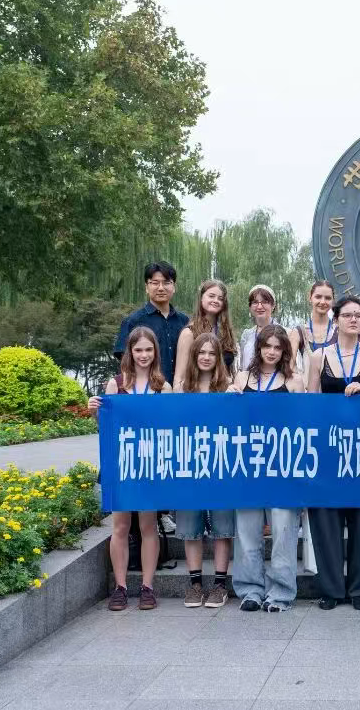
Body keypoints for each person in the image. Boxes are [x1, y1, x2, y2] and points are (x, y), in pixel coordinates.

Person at [306, 295, 360, 610]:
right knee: (326, 518)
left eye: (358, 315)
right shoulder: (319, 357)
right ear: (336, 319)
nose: (354, 320)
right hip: (328, 448)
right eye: (347, 315)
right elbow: (311, 402)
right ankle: (330, 588)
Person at [88, 326, 171, 611]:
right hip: (121, 462)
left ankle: (148, 587)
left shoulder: (163, 386)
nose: (143, 355)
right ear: (129, 352)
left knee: (148, 525)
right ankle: (121, 587)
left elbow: (169, 427)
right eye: (138, 350)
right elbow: (106, 427)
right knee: (120, 526)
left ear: (155, 352)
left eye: (148, 350)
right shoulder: (116, 384)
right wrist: (95, 411)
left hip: (149, 462)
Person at [228, 325, 306, 612]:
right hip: (248, 465)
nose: (272, 352)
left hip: (283, 466)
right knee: (247, 532)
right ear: (258, 348)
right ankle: (250, 590)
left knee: (284, 532)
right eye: (267, 346)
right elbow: (230, 419)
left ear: (284, 350)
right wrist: (228, 396)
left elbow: (304, 424)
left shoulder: (294, 381)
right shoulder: (242, 378)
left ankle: (281, 594)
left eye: (277, 347)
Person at [174, 333, 235, 609]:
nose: (206, 357)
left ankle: (220, 585)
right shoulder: (181, 390)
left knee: (223, 526)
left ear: (218, 357)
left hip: (221, 464)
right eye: (201, 352)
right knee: (190, 527)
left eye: (212, 353)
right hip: (190, 464)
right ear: (194, 356)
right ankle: (195, 584)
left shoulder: (229, 388)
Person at [114, 261, 189, 386]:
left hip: (181, 391)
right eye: (155, 283)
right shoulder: (133, 321)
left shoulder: (185, 321)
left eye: (166, 282)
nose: (161, 288)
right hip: (148, 391)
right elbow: (124, 361)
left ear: (174, 287)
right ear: (146, 287)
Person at [173, 279, 237, 387]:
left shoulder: (226, 333)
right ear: (201, 298)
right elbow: (179, 377)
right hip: (197, 393)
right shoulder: (189, 333)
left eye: (220, 298)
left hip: (222, 392)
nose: (216, 300)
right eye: (211, 296)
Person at [290, 280, 337, 385]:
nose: (323, 302)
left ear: (333, 301)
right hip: (308, 390)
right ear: (310, 297)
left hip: (334, 391)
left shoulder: (339, 331)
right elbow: (290, 365)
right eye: (318, 297)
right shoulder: (299, 331)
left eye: (328, 298)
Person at [238, 284, 281, 371]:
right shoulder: (246, 335)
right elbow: (242, 366)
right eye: (255, 302)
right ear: (250, 307)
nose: (259, 306)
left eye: (265, 302)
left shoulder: (284, 333)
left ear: (273, 306)